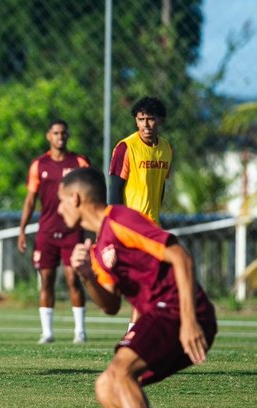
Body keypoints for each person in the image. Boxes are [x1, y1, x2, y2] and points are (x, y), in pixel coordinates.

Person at [58, 168, 216, 407]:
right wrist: (87, 275)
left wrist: (188, 320)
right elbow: (111, 305)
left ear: (75, 198)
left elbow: (181, 257)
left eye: (61, 201)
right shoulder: (98, 249)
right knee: (105, 385)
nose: (59, 209)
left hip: (177, 309)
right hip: (159, 315)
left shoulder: (120, 219)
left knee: (121, 374)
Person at [17, 119, 90, 344]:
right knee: (46, 279)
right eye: (56, 133)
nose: (60, 136)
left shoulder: (79, 162)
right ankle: (47, 332)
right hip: (46, 232)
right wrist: (22, 231)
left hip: (72, 231)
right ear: (49, 136)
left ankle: (80, 331)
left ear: (68, 136)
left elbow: (90, 197)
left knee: (73, 279)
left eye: (63, 133)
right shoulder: (39, 165)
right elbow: (30, 200)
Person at [109, 96, 173, 331]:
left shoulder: (166, 148)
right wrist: (112, 229)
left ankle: (133, 337)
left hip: (152, 227)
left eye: (151, 119)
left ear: (160, 120)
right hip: (129, 227)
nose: (146, 125)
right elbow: (114, 189)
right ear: (136, 121)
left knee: (148, 285)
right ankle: (133, 336)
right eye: (141, 119)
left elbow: (160, 187)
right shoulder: (126, 147)